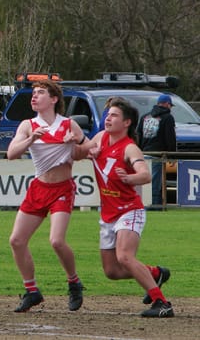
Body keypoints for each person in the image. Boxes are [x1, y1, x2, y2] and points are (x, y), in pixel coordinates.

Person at [74, 97, 174, 318]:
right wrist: (84, 149)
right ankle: (155, 273)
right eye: (107, 115)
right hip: (108, 214)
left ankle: (162, 303)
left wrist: (130, 178)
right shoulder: (100, 138)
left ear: (127, 122)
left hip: (129, 210)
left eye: (114, 115)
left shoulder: (129, 148)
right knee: (112, 271)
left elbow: (146, 174)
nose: (108, 118)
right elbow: (76, 154)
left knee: (125, 257)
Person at [5, 79, 86, 313]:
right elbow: (11, 153)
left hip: (62, 188)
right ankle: (32, 291)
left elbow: (89, 150)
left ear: (54, 99)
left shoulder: (69, 125)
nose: (34, 96)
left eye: (40, 93)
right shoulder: (28, 125)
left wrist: (74, 146)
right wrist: (32, 139)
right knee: (16, 241)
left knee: (56, 241)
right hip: (39, 188)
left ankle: (74, 282)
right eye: (33, 93)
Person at [136, 93, 176, 207]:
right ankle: (155, 206)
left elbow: (138, 135)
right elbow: (170, 137)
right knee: (156, 183)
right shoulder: (168, 117)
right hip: (158, 155)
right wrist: (172, 155)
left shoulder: (145, 117)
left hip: (143, 154)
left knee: (145, 182)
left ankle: (143, 203)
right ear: (168, 104)